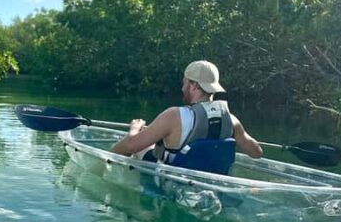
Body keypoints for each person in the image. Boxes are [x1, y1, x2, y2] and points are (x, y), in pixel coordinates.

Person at [110, 60, 263, 173]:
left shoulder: (173, 115)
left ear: (194, 85)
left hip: (172, 184)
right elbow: (257, 153)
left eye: (184, 83)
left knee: (139, 147)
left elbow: (130, 146)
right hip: (209, 182)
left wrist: (135, 130)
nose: (182, 88)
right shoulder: (231, 119)